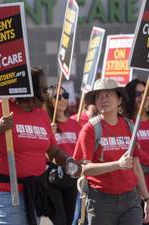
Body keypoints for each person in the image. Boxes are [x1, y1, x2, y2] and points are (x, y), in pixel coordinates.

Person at [0, 68, 78, 225]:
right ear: (28, 88)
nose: (47, 93)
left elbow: (52, 149)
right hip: (5, 192)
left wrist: (67, 161)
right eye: (43, 88)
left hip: (33, 193)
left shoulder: (41, 114)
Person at [74, 78, 149, 225]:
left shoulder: (130, 126)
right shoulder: (90, 129)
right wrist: (118, 164)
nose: (103, 99)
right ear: (94, 102)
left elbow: (135, 165)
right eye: (99, 96)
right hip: (101, 201)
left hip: (130, 200)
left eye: (108, 95)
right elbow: (83, 169)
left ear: (119, 100)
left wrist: (146, 198)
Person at [46, 86, 81, 225]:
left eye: (65, 95)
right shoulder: (46, 124)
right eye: (57, 96)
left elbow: (80, 151)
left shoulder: (75, 123)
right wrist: (48, 133)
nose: (62, 100)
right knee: (59, 219)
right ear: (49, 100)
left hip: (72, 176)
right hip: (54, 176)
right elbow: (43, 152)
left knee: (71, 217)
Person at [125, 79, 149, 224]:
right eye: (138, 93)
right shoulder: (126, 123)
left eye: (146, 93)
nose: (143, 97)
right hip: (134, 186)